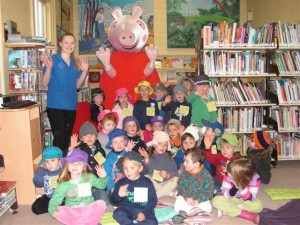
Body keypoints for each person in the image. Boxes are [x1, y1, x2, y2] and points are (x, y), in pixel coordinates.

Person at [41, 33, 89, 154]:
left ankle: (63, 164)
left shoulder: (76, 63)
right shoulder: (53, 60)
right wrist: (49, 68)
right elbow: (44, 83)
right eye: (66, 42)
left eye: (72, 43)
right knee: (59, 137)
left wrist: (84, 71)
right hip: (55, 105)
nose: (69, 45)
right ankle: (55, 164)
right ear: (61, 44)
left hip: (71, 106)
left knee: (66, 138)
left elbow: (77, 86)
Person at [48, 149, 108, 225]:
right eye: (72, 163)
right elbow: (55, 199)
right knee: (61, 211)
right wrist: (52, 210)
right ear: (67, 165)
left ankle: (83, 221)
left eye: (79, 163)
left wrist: (103, 177)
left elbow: (102, 186)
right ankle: (89, 222)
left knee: (101, 204)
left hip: (88, 208)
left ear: (84, 166)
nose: (75, 165)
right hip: (73, 211)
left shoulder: (90, 177)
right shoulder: (63, 184)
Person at [110, 151, 158, 225]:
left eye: (132, 168)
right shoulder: (121, 183)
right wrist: (119, 196)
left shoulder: (147, 182)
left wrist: (144, 213)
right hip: (127, 209)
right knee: (117, 213)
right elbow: (113, 201)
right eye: (125, 168)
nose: (128, 171)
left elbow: (153, 200)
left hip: (143, 209)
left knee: (153, 222)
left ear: (140, 168)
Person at [212, 157, 263, 224]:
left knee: (259, 205)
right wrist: (234, 189)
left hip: (245, 202)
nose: (228, 175)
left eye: (231, 175)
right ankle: (247, 215)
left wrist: (242, 187)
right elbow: (224, 194)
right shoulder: (228, 175)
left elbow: (251, 198)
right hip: (231, 198)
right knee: (216, 200)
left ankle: (227, 211)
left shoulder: (256, 179)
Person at [68, 121, 108, 204]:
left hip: (97, 181)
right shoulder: (79, 149)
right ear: (81, 138)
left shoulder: (100, 149)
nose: (89, 137)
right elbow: (69, 159)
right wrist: (71, 149)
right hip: (84, 181)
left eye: (92, 135)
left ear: (96, 137)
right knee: (85, 202)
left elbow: (103, 163)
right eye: (86, 135)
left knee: (105, 202)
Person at [174, 147, 214, 215]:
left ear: (196, 164)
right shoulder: (184, 173)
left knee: (208, 207)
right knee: (179, 201)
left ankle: (192, 212)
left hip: (199, 200)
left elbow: (209, 191)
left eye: (187, 161)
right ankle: (189, 212)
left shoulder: (206, 175)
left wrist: (198, 200)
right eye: (184, 160)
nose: (184, 163)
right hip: (186, 198)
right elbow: (180, 187)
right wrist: (186, 197)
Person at [139, 131, 178, 199]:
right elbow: (146, 171)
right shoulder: (150, 156)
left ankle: (155, 196)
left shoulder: (170, 158)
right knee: (145, 177)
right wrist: (147, 159)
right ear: (154, 144)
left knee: (176, 179)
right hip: (154, 184)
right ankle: (165, 192)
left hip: (165, 183)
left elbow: (175, 173)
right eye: (160, 143)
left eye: (165, 145)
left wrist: (167, 175)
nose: (162, 146)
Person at [32, 146, 63, 215]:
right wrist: (41, 169)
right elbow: (38, 183)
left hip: (63, 198)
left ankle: (59, 208)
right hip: (50, 197)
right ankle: (54, 208)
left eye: (53, 160)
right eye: (46, 161)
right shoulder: (44, 171)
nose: (50, 164)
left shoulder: (64, 170)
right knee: (36, 208)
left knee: (72, 204)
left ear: (60, 160)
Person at [103, 128, 133, 192]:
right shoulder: (108, 160)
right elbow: (108, 178)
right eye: (115, 142)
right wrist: (112, 189)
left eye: (121, 141)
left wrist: (129, 153)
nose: (119, 144)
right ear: (111, 144)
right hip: (115, 186)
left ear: (125, 142)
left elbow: (134, 168)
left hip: (129, 182)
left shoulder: (127, 152)